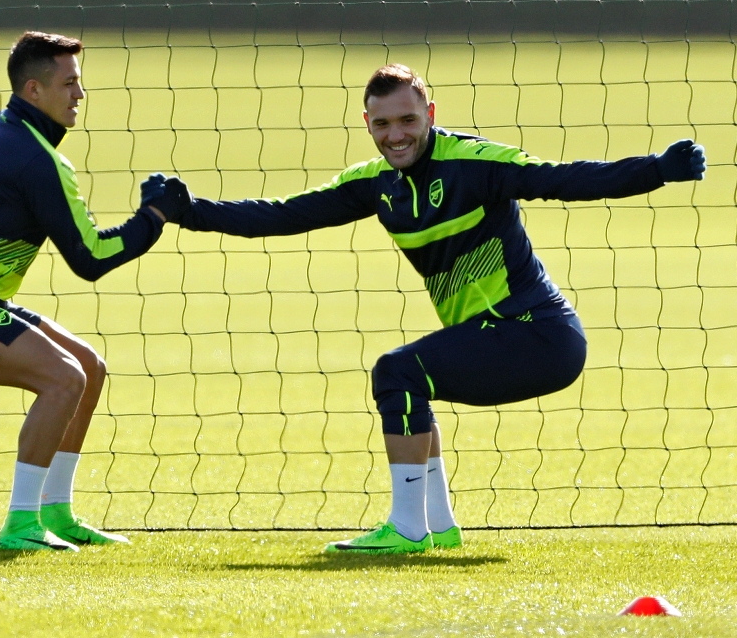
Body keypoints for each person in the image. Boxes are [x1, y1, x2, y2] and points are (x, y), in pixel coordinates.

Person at [168, 63, 706, 553]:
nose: (395, 135)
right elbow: (282, 215)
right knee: (412, 382)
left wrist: (655, 169)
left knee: (398, 370)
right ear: (367, 123)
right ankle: (437, 524)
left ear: (429, 114)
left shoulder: (476, 164)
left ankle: (405, 530)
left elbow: (565, 178)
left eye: (406, 119)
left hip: (537, 334)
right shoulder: (375, 185)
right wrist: (189, 211)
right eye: (382, 125)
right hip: (499, 335)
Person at [0, 32, 189, 552]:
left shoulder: (0, 128)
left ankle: (57, 510)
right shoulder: (36, 160)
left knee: (89, 368)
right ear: (34, 90)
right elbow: (90, 259)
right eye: (70, 83)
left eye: (81, 83)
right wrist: (155, 216)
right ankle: (21, 525)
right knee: (63, 379)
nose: (80, 95)